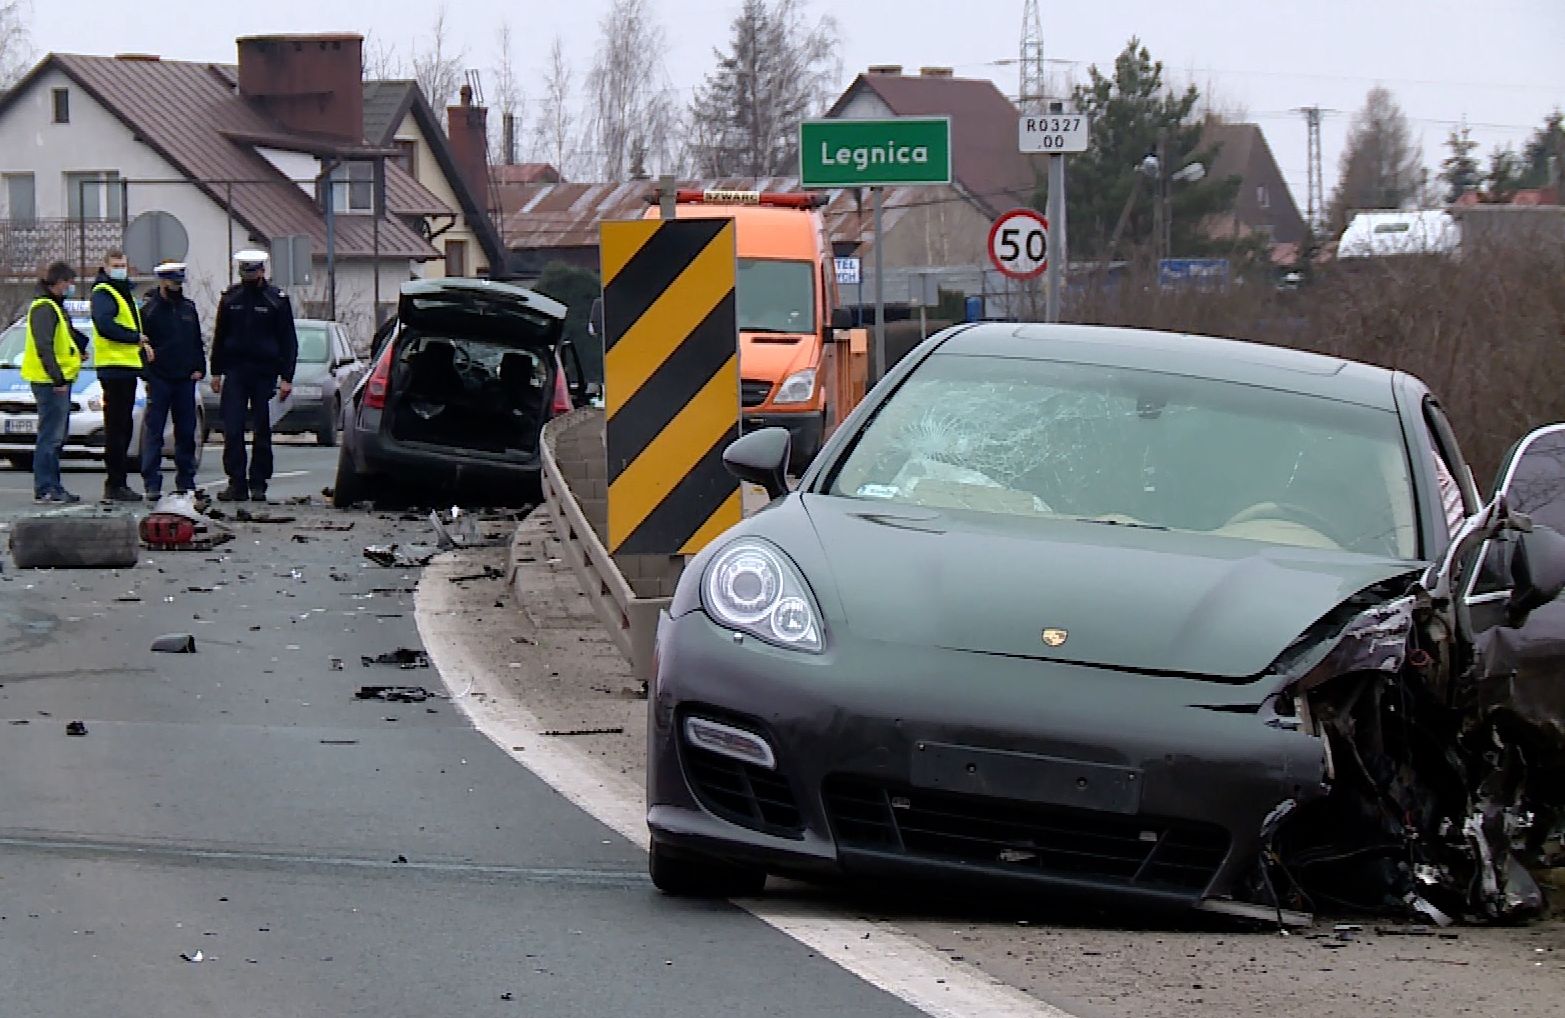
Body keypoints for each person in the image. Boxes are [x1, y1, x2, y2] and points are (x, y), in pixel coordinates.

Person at [210, 249, 297, 502]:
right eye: (245, 271)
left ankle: (258, 483)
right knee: (232, 428)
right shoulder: (231, 298)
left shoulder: (276, 300)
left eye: (253, 270)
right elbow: (220, 335)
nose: (249, 275)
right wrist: (216, 371)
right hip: (236, 371)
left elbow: (288, 340)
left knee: (262, 429)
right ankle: (236, 483)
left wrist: (287, 377)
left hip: (264, 372)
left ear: (262, 271)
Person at [21, 261, 90, 503]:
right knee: (50, 437)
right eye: (69, 283)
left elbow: (63, 338)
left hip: (57, 380)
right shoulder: (44, 307)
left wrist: (78, 349)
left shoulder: (54, 306)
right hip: (49, 382)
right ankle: (46, 487)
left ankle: (52, 485)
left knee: (55, 437)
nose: (71, 287)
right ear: (59, 282)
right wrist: (57, 378)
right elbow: (45, 346)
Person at [90, 247, 154, 502]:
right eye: (115, 265)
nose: (120, 269)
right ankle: (115, 484)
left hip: (126, 367)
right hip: (113, 367)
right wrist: (134, 338)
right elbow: (105, 325)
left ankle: (119, 483)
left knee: (123, 428)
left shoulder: (123, 292)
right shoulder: (104, 292)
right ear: (105, 267)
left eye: (123, 265)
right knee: (117, 429)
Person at [139, 262, 206, 498]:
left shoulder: (188, 308)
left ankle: (186, 481)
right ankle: (152, 483)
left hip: (185, 378)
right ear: (162, 281)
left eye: (179, 282)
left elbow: (196, 340)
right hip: (160, 378)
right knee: (154, 432)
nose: (176, 287)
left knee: (186, 432)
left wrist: (200, 367)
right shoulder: (149, 311)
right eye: (172, 282)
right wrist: (148, 374)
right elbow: (142, 347)